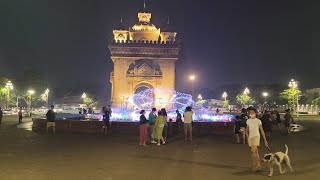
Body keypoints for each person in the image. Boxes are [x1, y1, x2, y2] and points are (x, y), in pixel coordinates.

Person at [245, 107, 268, 172]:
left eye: (253, 112)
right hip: (250, 137)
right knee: (255, 152)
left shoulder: (258, 121)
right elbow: (247, 130)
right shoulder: (248, 121)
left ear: (255, 113)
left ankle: (254, 165)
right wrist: (246, 136)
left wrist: (265, 140)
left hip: (256, 136)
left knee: (253, 151)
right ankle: (259, 165)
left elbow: (262, 130)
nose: (251, 114)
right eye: (250, 113)